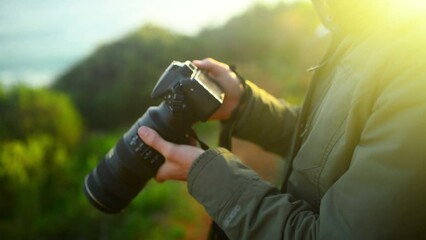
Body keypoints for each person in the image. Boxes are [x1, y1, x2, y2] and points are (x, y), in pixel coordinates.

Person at [138, 0, 426, 239]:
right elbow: (326, 141)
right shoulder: (361, 32)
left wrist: (205, 174)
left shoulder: (413, 59)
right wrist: (245, 105)